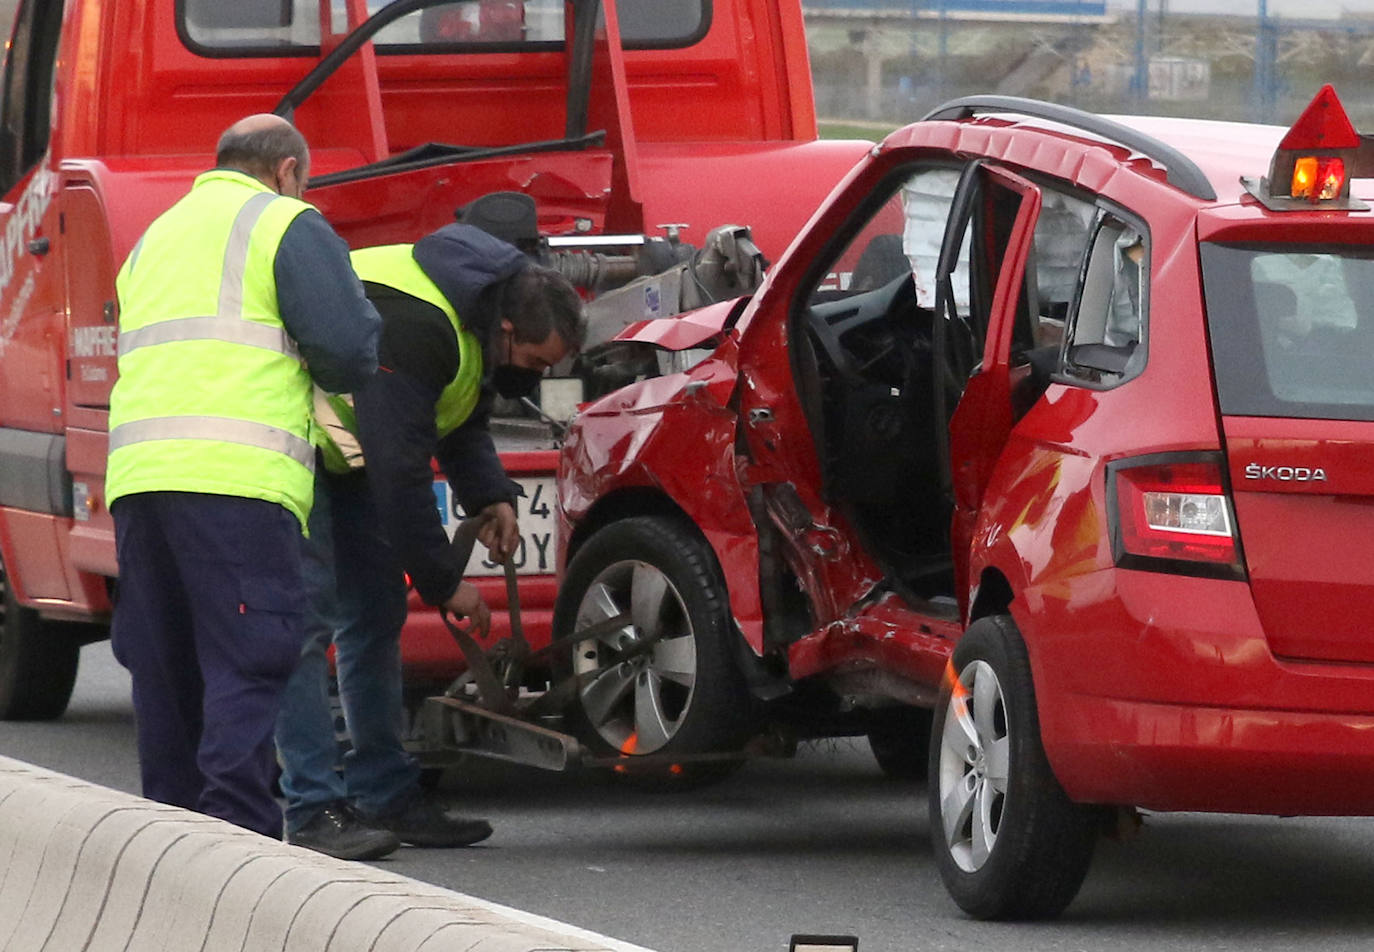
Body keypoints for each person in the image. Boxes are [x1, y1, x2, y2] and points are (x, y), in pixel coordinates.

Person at [105, 114, 382, 838]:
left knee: (167, 674)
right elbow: (349, 348)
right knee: (247, 662)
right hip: (236, 481)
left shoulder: (155, 237)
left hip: (139, 479)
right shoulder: (283, 222)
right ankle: (238, 850)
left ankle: (173, 844)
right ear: (287, 170)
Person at [276, 223, 585, 860]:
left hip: (352, 450)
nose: (536, 377)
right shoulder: (420, 326)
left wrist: (491, 493)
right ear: (507, 332)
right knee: (308, 623)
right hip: (295, 443)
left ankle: (385, 795)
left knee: (375, 613)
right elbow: (400, 472)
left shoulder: (480, 318)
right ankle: (313, 807)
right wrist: (445, 583)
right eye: (534, 363)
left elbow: (460, 411)